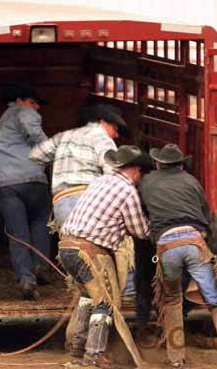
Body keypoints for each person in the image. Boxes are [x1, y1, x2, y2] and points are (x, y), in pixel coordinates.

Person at [139, 144, 217, 369]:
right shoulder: (192, 182)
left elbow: (143, 213)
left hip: (167, 246)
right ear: (181, 165)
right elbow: (205, 216)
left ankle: (176, 360)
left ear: (158, 163)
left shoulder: (147, 182)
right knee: (215, 301)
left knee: (171, 301)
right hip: (195, 242)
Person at [58, 145, 151, 368]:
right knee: (106, 303)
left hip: (67, 247)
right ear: (136, 170)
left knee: (87, 298)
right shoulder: (127, 191)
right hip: (91, 252)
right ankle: (94, 355)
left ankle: (77, 350)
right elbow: (140, 231)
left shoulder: (100, 181)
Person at [0, 84, 51, 300]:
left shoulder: (2, 123)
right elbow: (34, 130)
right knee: (41, 222)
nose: (37, 108)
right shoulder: (23, 112)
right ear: (20, 100)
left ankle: (26, 279)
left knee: (18, 233)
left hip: (5, 183)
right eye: (34, 102)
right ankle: (41, 266)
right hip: (32, 179)